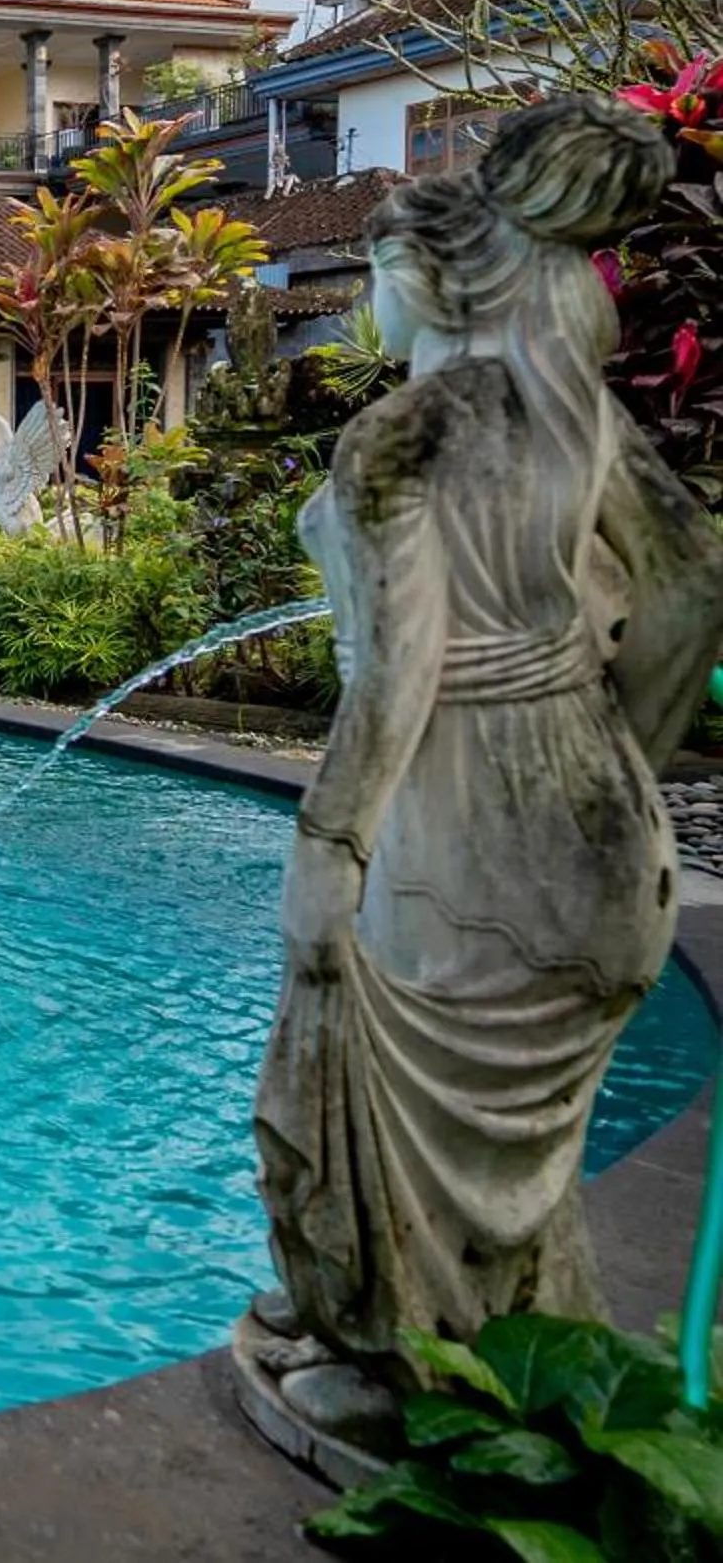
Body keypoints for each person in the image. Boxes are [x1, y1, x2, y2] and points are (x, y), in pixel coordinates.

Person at [255, 95, 723, 1390]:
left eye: (379, 282)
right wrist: (612, 752)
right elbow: (693, 589)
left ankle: (396, 1370)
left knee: (349, 1097)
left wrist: (331, 847)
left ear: (431, 279)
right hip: (599, 839)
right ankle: (522, 1371)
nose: (369, 314)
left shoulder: (407, 435)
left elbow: (397, 682)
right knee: (521, 1170)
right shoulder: (583, 424)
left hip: (457, 841)